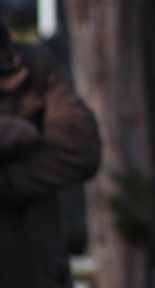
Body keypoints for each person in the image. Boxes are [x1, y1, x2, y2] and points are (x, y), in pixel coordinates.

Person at [0, 21, 101, 288]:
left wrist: (6, 181)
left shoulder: (33, 65)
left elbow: (80, 146)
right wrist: (13, 131)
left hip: (35, 271)